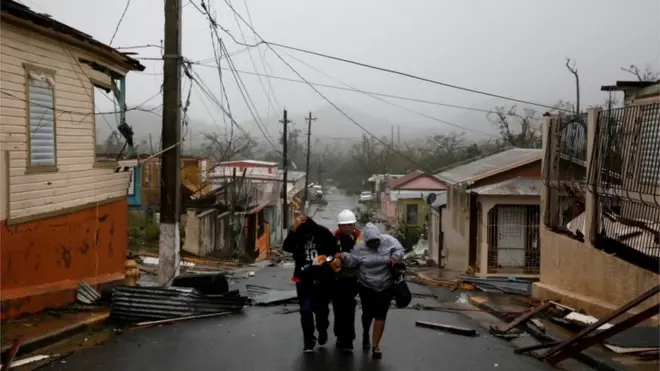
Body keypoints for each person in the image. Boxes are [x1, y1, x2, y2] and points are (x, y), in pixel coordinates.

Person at [336, 223, 404, 359]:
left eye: (376, 241)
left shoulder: (389, 241)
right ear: (366, 240)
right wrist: (343, 256)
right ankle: (366, 332)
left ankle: (375, 346)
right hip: (366, 285)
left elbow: (400, 250)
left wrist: (395, 257)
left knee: (381, 314)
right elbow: (352, 262)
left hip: (386, 284)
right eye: (371, 242)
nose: (374, 244)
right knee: (368, 313)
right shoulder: (360, 248)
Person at [282, 216, 339, 353]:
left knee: (322, 311)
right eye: (304, 234)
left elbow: (333, 251)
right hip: (303, 279)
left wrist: (326, 260)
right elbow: (287, 247)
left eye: (309, 234)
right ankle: (308, 341)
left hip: (322, 279)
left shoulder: (323, 233)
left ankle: (323, 329)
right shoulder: (297, 235)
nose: (307, 236)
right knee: (305, 311)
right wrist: (293, 231)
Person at [332, 209, 362, 352]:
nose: (348, 227)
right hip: (337, 279)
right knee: (338, 308)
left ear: (354, 224)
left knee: (349, 309)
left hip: (353, 279)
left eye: (350, 224)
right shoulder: (333, 238)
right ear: (339, 226)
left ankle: (349, 338)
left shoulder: (360, 238)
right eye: (344, 225)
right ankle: (339, 335)